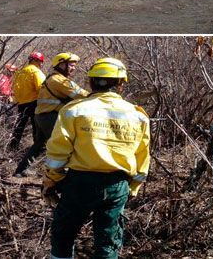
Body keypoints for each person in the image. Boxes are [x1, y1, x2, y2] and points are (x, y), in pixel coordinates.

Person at [43, 57, 150, 259]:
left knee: (63, 236)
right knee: (108, 242)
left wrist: (50, 182)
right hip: (117, 185)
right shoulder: (138, 116)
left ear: (91, 82)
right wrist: (132, 188)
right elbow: (142, 158)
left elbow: (57, 154)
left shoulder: (74, 110)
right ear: (121, 84)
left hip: (80, 183)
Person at [13, 52, 88, 177]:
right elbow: (80, 94)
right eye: (71, 65)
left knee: (39, 145)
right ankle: (60, 175)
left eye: (74, 65)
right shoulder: (58, 79)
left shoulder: (22, 72)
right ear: (61, 65)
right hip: (50, 116)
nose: (74, 68)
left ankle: (20, 170)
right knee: (63, 145)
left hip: (37, 113)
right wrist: (97, 96)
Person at [9, 52, 46, 149]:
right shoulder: (35, 71)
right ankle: (37, 147)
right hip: (34, 102)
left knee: (19, 127)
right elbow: (42, 88)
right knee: (36, 125)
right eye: (41, 62)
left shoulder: (19, 72)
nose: (41, 64)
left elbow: (14, 88)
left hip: (21, 104)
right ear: (36, 61)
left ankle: (12, 147)